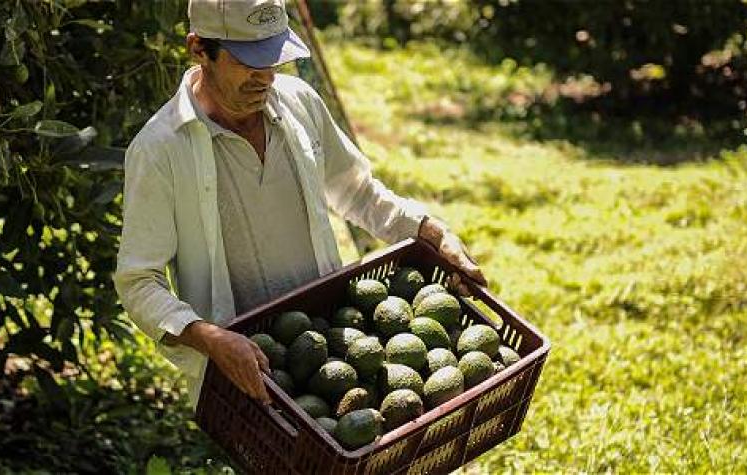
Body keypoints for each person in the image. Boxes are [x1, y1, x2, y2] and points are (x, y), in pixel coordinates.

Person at [113, 0, 486, 409]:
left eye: (273, 58)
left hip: (328, 342)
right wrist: (213, 339)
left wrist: (430, 231)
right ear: (199, 48)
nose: (265, 77)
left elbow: (359, 193)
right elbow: (139, 282)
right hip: (245, 372)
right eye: (248, 61)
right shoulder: (160, 149)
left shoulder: (299, 104)